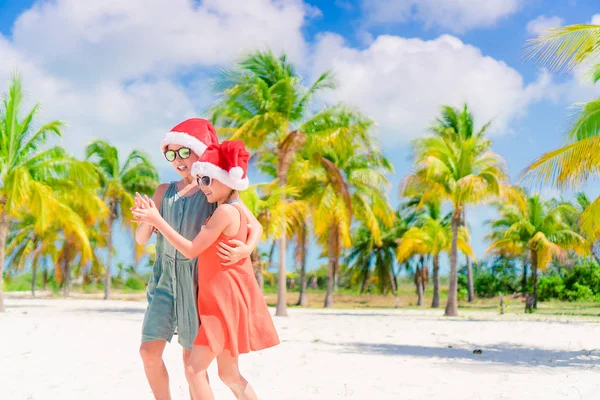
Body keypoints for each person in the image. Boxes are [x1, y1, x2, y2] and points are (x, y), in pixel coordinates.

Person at [133, 140, 279, 400]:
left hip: (221, 304)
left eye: (207, 180)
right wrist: (150, 219)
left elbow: (191, 250)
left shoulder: (223, 211)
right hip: (217, 300)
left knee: (193, 368)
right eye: (200, 179)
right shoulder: (222, 206)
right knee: (228, 374)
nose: (202, 186)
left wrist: (158, 220)